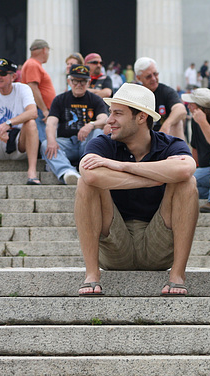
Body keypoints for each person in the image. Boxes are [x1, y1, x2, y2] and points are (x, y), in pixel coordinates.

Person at [75, 83, 198, 296]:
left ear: (141, 117)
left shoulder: (170, 144)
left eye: (118, 113)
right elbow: (90, 173)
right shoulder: (104, 143)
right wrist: (151, 178)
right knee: (85, 183)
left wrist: (121, 166)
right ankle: (92, 274)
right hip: (115, 242)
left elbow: (186, 168)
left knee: (187, 183)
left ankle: (177, 275)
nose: (109, 119)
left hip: (158, 242)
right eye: (110, 112)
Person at [42, 65, 107, 185]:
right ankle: (68, 172)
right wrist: (51, 140)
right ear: (69, 81)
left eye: (83, 81)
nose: (79, 85)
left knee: (98, 132)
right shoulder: (59, 99)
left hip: (86, 144)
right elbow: (51, 123)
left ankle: (89, 169)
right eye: (75, 80)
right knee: (46, 143)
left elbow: (104, 119)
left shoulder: (95, 99)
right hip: (67, 144)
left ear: (88, 83)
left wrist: (91, 124)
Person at [134, 57, 186, 139]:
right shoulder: (134, 94)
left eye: (155, 74)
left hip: (164, 135)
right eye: (148, 76)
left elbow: (181, 109)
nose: (153, 79)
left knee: (178, 122)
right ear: (139, 78)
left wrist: (167, 124)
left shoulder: (166, 91)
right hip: (142, 136)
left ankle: (179, 151)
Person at [21, 39, 56, 144]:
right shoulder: (33, 64)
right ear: (45, 50)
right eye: (48, 51)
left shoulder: (32, 64)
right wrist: (44, 109)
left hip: (39, 110)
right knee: (44, 141)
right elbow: (33, 87)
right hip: (39, 111)